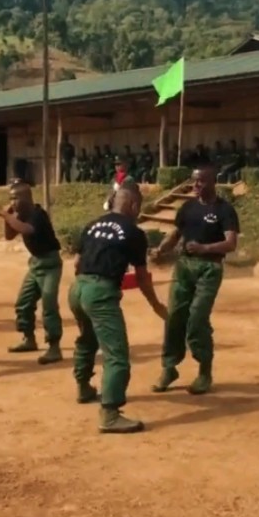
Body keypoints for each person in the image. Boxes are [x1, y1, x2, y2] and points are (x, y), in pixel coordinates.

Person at [71, 184, 168, 434]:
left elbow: (77, 263)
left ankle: (83, 387)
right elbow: (143, 277)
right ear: (134, 205)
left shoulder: (92, 224)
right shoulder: (134, 233)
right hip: (100, 294)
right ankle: (110, 414)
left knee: (86, 339)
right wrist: (156, 305)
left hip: (77, 289)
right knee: (117, 356)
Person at [151, 165, 239, 395]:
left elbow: (231, 243)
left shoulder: (224, 210)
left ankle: (204, 371)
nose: (196, 185)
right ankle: (169, 368)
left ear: (213, 182)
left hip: (210, 268)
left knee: (197, 319)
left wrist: (204, 248)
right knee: (175, 317)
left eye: (200, 181)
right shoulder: (187, 207)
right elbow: (175, 234)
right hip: (184, 267)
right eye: (194, 181)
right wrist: (161, 250)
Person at [0, 182, 64, 365]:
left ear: (26, 199)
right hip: (36, 264)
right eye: (10, 198)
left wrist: (5, 215)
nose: (13, 202)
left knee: (49, 304)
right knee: (23, 302)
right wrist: (7, 218)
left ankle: (54, 347)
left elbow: (27, 230)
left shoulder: (38, 215)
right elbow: (9, 236)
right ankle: (28, 339)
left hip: (50, 264)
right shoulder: (20, 216)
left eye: (15, 198)